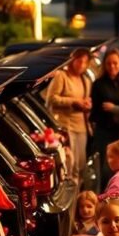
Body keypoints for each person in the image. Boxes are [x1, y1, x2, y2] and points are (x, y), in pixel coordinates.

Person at [45, 49, 92, 181]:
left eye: (84, 62)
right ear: (72, 60)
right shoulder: (62, 76)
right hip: (66, 126)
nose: (81, 65)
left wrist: (87, 104)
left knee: (80, 165)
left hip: (81, 126)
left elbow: (85, 99)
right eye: (79, 61)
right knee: (70, 166)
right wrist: (73, 102)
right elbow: (51, 99)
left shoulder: (85, 80)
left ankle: (78, 195)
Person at [90, 48, 119, 187]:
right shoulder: (98, 84)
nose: (112, 67)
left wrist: (116, 110)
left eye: (115, 63)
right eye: (109, 63)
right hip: (104, 131)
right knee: (106, 168)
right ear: (104, 65)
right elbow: (94, 111)